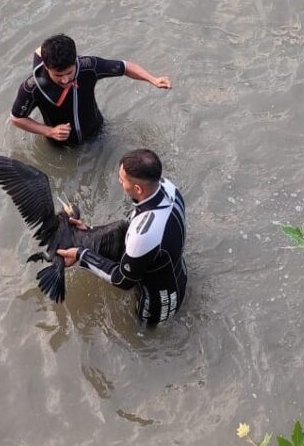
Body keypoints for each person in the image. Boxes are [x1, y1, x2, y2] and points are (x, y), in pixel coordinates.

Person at [56, 149, 187, 326]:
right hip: (176, 271)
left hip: (160, 302)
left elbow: (122, 280)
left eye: (122, 180)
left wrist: (81, 255)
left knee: (144, 337)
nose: (119, 182)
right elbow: (134, 226)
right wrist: (90, 230)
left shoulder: (144, 234)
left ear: (138, 188)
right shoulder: (168, 188)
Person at [9, 34, 172, 146]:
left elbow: (125, 67)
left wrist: (153, 79)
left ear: (75, 61)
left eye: (69, 72)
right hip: (61, 145)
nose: (65, 79)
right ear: (46, 66)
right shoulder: (32, 88)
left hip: (97, 132)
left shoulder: (88, 67)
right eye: (58, 75)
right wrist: (49, 131)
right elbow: (16, 119)